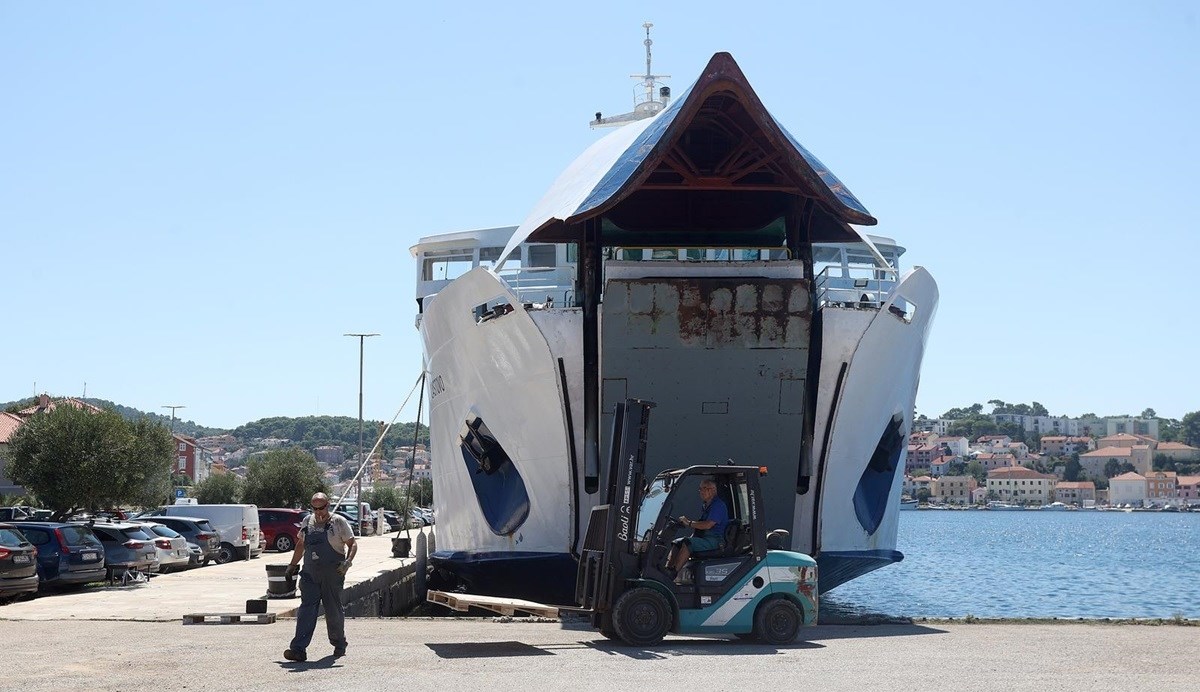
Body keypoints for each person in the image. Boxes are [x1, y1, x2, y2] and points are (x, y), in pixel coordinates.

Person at [283, 492, 357, 662]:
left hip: (333, 574)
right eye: (314, 508)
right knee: (307, 610)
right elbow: (301, 544)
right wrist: (292, 565)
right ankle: (298, 649)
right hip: (310, 574)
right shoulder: (307, 522)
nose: (318, 512)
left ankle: (339, 643)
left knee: (333, 610)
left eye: (321, 508)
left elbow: (352, 544)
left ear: (328, 505)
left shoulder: (338, 522)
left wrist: (347, 562)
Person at [667, 478, 729, 580]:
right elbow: (700, 528)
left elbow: (708, 525)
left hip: (715, 539)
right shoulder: (706, 506)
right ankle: (668, 570)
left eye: (704, 488)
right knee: (677, 542)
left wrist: (689, 523)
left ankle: (673, 574)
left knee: (687, 543)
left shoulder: (718, 505)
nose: (701, 491)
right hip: (706, 537)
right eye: (700, 489)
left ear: (713, 490)